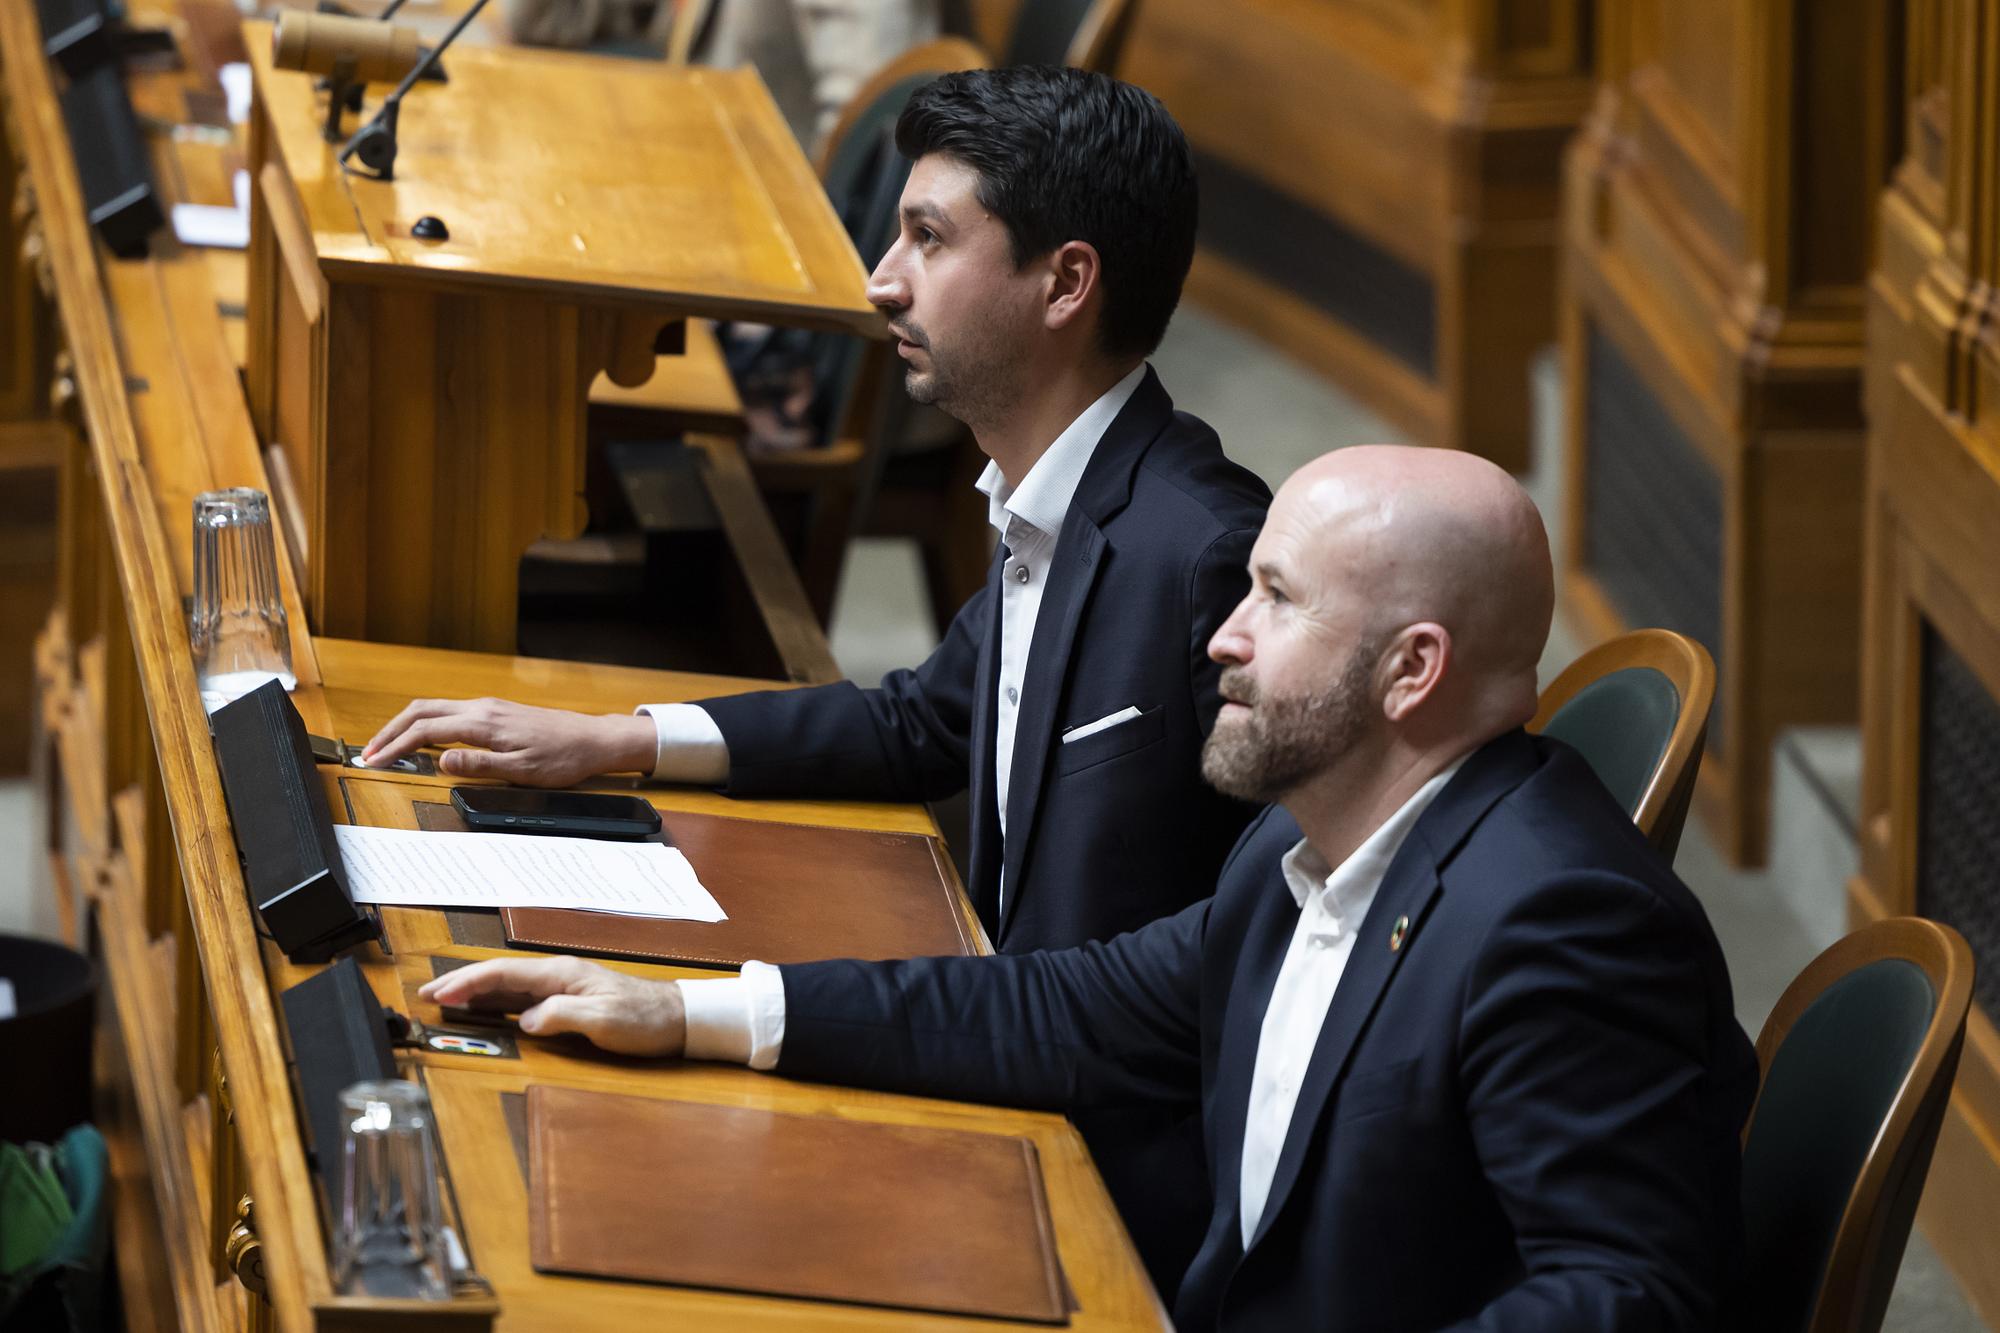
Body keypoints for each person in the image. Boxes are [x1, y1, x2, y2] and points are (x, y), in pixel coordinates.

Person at [423, 445, 1761, 1331]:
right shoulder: (1305, 850)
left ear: (1412, 672)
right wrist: (694, 1014)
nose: (1224, 638)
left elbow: (1629, 1295)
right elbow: (1065, 1009)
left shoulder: (1561, 920)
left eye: (1278, 602)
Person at [363, 67, 1270, 960]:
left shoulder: (1209, 557)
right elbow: (926, 722)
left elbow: (1249, 941)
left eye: (928, 239)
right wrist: (618, 738)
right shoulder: (1059, 491)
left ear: (1066, 284)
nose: (882, 283)